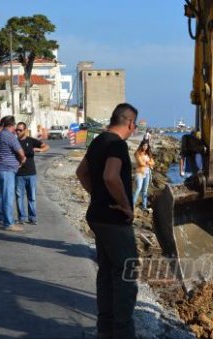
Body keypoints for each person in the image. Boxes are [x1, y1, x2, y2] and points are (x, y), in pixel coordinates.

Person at [76, 103, 139, 339]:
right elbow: (111, 176)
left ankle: (105, 329)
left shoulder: (98, 141)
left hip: (97, 216)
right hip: (114, 219)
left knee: (106, 272)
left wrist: (97, 195)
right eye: (134, 125)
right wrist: (124, 204)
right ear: (130, 123)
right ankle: (123, 333)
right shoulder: (117, 144)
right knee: (126, 273)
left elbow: (81, 172)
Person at [0, 115, 26, 232]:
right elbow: (20, 152)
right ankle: (9, 223)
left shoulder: (0, 135)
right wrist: (22, 160)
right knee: (8, 197)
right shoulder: (10, 136)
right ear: (12, 125)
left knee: (0, 195)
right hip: (7, 170)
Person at [15, 122, 49, 225]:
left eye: (20, 130)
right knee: (19, 197)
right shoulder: (14, 142)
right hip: (18, 174)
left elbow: (46, 146)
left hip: (31, 173)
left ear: (25, 130)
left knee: (32, 197)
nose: (18, 132)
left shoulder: (31, 140)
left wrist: (40, 149)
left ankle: (32, 217)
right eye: (17, 130)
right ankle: (21, 218)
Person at [133, 140, 155, 212]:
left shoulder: (148, 154)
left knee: (145, 190)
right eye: (144, 145)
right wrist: (148, 163)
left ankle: (144, 206)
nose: (145, 147)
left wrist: (147, 162)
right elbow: (140, 163)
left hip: (147, 173)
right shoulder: (137, 153)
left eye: (146, 146)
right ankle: (132, 205)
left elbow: (153, 163)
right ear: (141, 145)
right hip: (139, 173)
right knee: (138, 188)